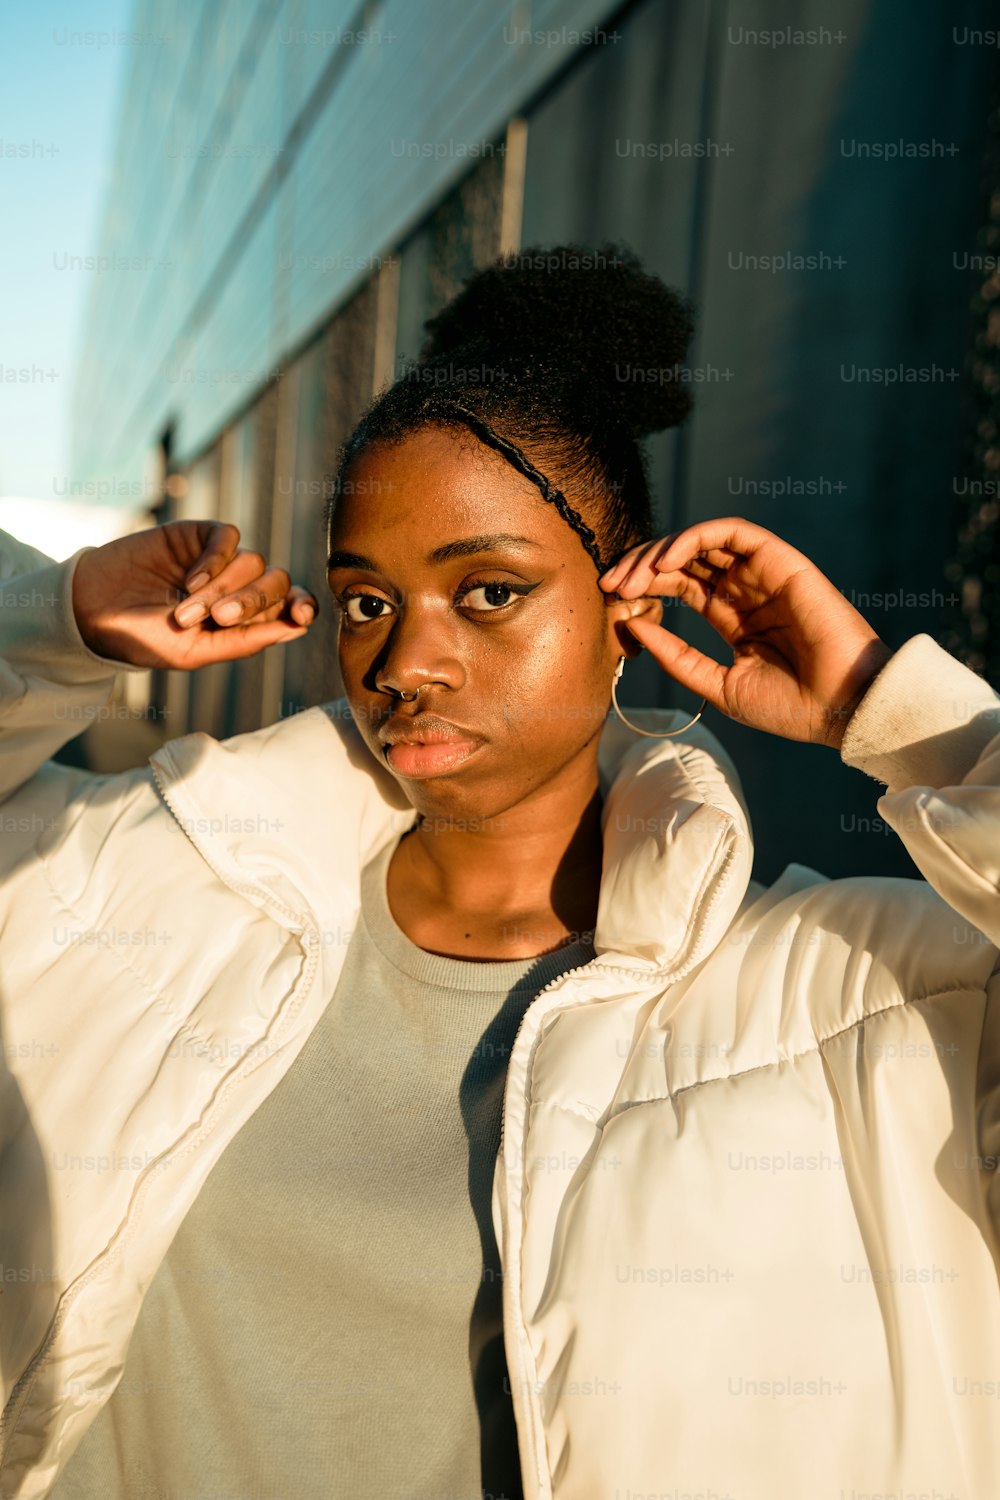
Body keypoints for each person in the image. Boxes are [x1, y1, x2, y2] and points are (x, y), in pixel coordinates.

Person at [2, 242, 999, 1500]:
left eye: (486, 592)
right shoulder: (139, 886)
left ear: (622, 607)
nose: (405, 661)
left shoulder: (872, 1001)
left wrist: (902, 719)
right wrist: (51, 627)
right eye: (367, 602)